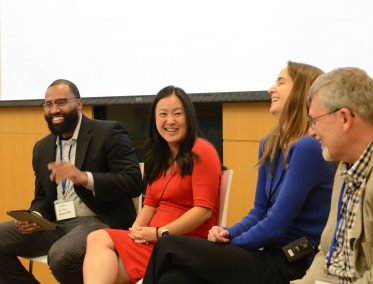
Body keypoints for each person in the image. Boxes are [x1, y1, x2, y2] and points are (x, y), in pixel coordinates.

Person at [142, 61, 336, 284]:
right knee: (173, 278)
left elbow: (276, 224)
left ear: (301, 90)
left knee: (168, 244)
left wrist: (229, 244)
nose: (270, 89)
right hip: (265, 254)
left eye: (280, 82)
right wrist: (227, 232)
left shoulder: (308, 147)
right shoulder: (269, 144)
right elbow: (258, 212)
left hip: (291, 263)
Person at [0, 79, 143, 284]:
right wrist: (36, 216)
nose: (54, 109)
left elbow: (133, 181)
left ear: (78, 104)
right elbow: (42, 197)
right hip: (57, 224)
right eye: (48, 104)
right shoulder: (42, 148)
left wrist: (86, 178)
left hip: (99, 221)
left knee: (61, 256)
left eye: (61, 102)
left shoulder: (108, 132)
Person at [82, 85, 222, 283]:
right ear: (154, 119)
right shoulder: (160, 156)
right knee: (106, 269)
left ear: (189, 117)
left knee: (97, 238)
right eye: (163, 114)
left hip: (182, 244)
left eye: (177, 114)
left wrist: (159, 233)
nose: (170, 121)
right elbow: (150, 204)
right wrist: (135, 233)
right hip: (153, 242)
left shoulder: (202, 150)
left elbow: (203, 210)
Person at [292, 67, 373, 283]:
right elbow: (327, 255)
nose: (311, 132)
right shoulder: (346, 165)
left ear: (344, 118)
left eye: (314, 121)